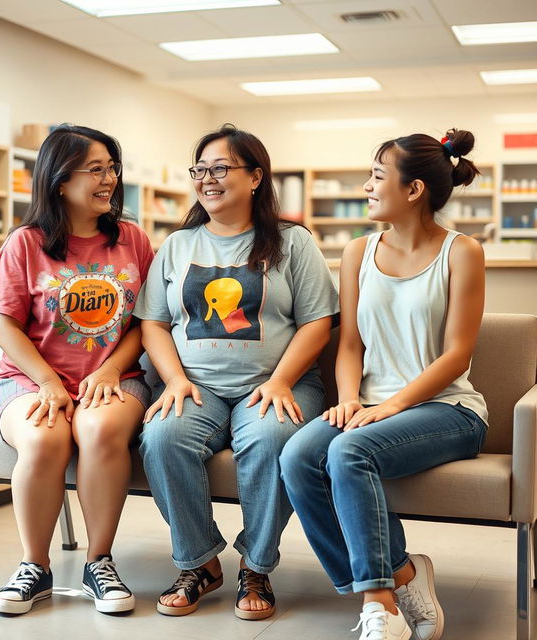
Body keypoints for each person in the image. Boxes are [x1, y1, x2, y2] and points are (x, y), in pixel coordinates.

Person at [280, 129, 489, 640]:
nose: (366, 185)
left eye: (376, 175)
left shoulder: (462, 253)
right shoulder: (357, 252)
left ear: (413, 189)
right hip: (372, 405)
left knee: (349, 452)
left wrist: (389, 407)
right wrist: (350, 398)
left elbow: (457, 354)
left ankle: (381, 607)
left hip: (448, 410)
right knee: (297, 457)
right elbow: (349, 343)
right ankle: (402, 576)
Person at [134, 124, 339, 620]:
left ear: (255, 178)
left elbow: (318, 322)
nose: (208, 178)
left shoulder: (293, 242)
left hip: (276, 385)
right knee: (162, 438)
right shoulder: (178, 245)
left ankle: (256, 565)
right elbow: (154, 324)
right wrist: (176, 380)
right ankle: (199, 562)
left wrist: (280, 380)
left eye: (220, 168)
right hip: (195, 386)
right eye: (200, 169)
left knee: (272, 440)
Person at [0, 124, 154, 615]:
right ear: (58, 179)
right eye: (96, 169)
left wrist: (113, 368)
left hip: (113, 378)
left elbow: (146, 323)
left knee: (98, 431)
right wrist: (48, 381)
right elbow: (5, 327)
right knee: (44, 435)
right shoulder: (25, 243)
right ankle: (35, 566)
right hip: (29, 379)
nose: (109, 179)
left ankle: (99, 562)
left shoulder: (133, 240)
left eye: (112, 167)